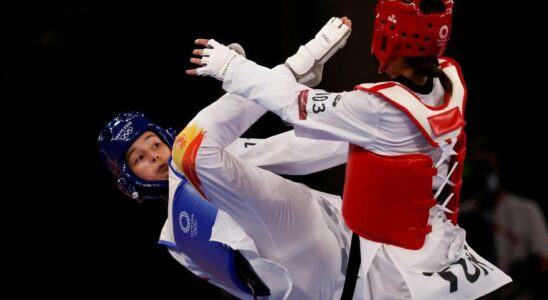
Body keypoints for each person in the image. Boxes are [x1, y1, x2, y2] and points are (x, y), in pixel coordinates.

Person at [187, 0, 512, 299]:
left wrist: (230, 66)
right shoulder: (450, 78)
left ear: (388, 40)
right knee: (340, 142)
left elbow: (292, 103)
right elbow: (319, 138)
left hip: (400, 267)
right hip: (446, 248)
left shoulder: (379, 109)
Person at [99, 17, 360, 300]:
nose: (153, 155)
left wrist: (361, 135)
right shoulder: (176, 240)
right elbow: (252, 289)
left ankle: (288, 70)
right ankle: (289, 68)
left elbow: (289, 150)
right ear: (128, 183)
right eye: (139, 158)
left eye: (153, 143)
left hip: (353, 236)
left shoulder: (213, 157)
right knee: (191, 151)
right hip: (329, 290)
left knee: (191, 151)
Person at [460, 136, 548, 299]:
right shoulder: (463, 214)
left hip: (516, 294)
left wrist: (524, 270)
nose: (485, 177)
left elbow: (543, 260)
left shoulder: (526, 209)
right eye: (479, 169)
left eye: (488, 169)